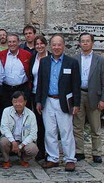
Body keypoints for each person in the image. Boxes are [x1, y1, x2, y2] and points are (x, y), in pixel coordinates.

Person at [36, 34, 81, 171]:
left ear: (63, 46)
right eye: (54, 45)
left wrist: (76, 104)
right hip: (48, 100)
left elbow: (76, 85)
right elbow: (40, 83)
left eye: (59, 44)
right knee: (50, 131)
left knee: (66, 131)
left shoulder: (71, 62)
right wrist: (38, 101)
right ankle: (53, 158)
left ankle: (70, 159)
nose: (56, 47)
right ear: (51, 46)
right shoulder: (44, 62)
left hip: (64, 101)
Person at [73, 33, 104, 163]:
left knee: (95, 126)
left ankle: (96, 152)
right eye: (82, 41)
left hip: (94, 96)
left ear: (92, 43)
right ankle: (79, 151)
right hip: (79, 94)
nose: (85, 43)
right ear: (80, 43)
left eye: (87, 41)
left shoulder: (100, 60)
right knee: (78, 126)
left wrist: (103, 99)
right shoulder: (75, 59)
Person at [0, 91, 39, 168]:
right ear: (12, 102)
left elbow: (33, 134)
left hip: (24, 142)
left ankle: (24, 159)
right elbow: (4, 128)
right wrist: (13, 142)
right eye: (15, 102)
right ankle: (6, 160)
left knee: (33, 149)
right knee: (3, 142)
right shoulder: (6, 111)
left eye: (20, 102)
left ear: (25, 102)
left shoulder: (31, 114)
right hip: (11, 140)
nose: (18, 104)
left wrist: (20, 146)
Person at [0, 33, 32, 115]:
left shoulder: (27, 55)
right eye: (9, 42)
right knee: (6, 113)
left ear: (18, 42)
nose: (12, 44)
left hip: (22, 88)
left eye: (14, 41)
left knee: (23, 113)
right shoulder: (1, 55)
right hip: (6, 90)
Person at [29, 35, 50, 161]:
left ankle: (50, 150)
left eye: (41, 44)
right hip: (34, 93)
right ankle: (41, 150)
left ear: (45, 44)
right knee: (39, 123)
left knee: (49, 124)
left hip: (47, 94)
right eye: (37, 44)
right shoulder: (33, 58)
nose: (39, 46)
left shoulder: (50, 57)